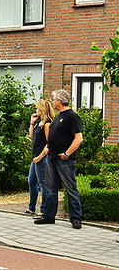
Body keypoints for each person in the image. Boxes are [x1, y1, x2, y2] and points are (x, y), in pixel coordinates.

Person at [35, 89, 84, 229]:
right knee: (50, 187)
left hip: (65, 160)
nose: (52, 102)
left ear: (60, 101)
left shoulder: (71, 117)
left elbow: (78, 138)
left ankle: (76, 218)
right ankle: (49, 216)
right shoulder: (58, 116)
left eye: (54, 99)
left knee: (70, 188)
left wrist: (67, 154)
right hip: (52, 158)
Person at [26, 99, 55, 217]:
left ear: (42, 110)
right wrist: (32, 123)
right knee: (31, 181)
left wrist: (40, 156)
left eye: (38, 109)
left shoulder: (47, 124)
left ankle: (43, 209)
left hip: (42, 158)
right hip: (35, 157)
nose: (36, 110)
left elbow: (50, 143)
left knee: (43, 183)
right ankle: (31, 207)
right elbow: (31, 136)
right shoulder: (39, 122)